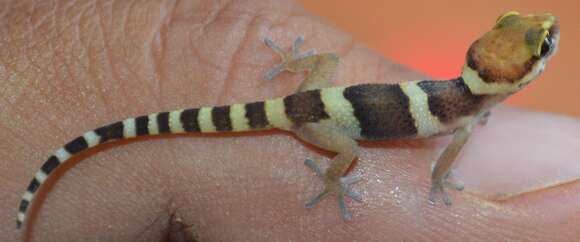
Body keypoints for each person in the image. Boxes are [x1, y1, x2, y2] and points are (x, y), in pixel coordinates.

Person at [2, 0, 579, 240]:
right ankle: (332, 175)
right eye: (540, 42)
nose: (543, 29)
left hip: (313, 98)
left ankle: (295, 67)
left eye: (540, 41)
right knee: (349, 154)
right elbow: (448, 152)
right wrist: (433, 180)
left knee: (325, 63)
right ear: (522, 78)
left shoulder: (460, 100)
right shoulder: (460, 114)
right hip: (314, 125)